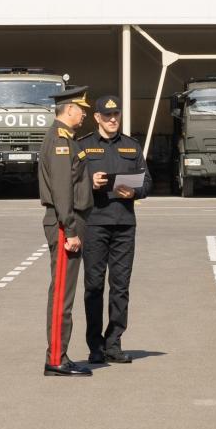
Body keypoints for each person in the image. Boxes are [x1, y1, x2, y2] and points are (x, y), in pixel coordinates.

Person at [73, 94, 151, 364]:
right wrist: (88, 182)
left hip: (124, 224)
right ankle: (95, 345)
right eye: (107, 116)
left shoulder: (131, 145)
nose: (112, 119)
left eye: (116, 115)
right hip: (94, 223)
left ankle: (114, 341)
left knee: (120, 286)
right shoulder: (82, 146)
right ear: (97, 118)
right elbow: (70, 182)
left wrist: (135, 191)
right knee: (94, 286)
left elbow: (147, 182)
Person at [40, 87, 92, 376]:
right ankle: (56, 358)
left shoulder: (67, 140)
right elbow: (62, 190)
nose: (83, 113)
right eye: (80, 109)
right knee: (62, 293)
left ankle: (60, 353)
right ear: (68, 110)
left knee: (65, 292)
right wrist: (71, 229)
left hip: (69, 222)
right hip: (64, 226)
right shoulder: (60, 141)